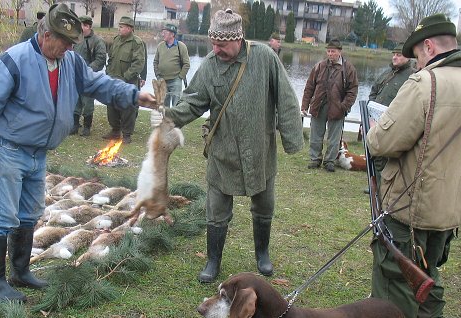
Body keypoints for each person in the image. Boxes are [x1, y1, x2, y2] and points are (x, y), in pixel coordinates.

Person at [0, 3, 156, 303]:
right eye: (63, 42)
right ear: (46, 35)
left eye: (71, 44)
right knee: (3, 215)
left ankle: (20, 271)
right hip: (11, 149)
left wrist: (133, 95)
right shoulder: (15, 60)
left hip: (39, 154)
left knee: (30, 213)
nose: (67, 48)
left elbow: (98, 84)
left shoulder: (70, 62)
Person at [366, 14, 461, 318]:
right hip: (451, 211)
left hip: (410, 208)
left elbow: (383, 142)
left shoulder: (425, 83)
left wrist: (375, 129)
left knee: (395, 278)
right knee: (428, 275)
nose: (416, 61)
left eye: (417, 54)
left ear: (428, 46)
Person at [163, 9, 304, 283]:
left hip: (259, 151)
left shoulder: (264, 58)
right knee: (216, 211)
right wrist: (168, 118)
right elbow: (192, 101)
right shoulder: (209, 65)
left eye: (222, 44)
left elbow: (286, 98)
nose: (216, 50)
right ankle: (213, 260)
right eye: (213, 44)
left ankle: (262, 253)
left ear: (238, 38)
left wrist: (292, 140)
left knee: (264, 205)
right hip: (222, 151)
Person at [301, 39, 358, 172]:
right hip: (318, 106)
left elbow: (353, 91)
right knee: (315, 135)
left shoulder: (349, 69)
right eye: (328, 51)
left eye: (333, 51)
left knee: (334, 137)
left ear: (340, 52)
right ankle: (315, 159)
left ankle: (330, 161)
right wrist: (305, 104)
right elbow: (309, 86)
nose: (330, 54)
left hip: (337, 108)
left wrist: (344, 106)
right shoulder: (319, 66)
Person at [365, 44, 415, 191]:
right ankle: (375, 184)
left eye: (399, 55)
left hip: (394, 124)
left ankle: (385, 187)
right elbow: (373, 91)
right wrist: (370, 110)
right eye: (394, 54)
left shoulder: (412, 76)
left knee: (387, 157)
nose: (395, 57)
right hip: (376, 121)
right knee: (375, 154)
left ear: (408, 57)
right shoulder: (386, 73)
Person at [104, 16, 146, 144]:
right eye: (119, 26)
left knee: (128, 108)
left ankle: (127, 134)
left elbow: (138, 64)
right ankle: (115, 130)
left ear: (129, 28)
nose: (119, 29)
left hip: (128, 81)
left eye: (121, 27)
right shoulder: (116, 40)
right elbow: (110, 59)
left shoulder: (136, 43)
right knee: (112, 106)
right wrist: (108, 73)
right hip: (113, 80)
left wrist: (126, 77)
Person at [70, 15, 107, 137]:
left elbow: (101, 59)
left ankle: (86, 127)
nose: (80, 28)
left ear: (88, 26)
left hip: (89, 76)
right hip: (75, 75)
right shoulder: (76, 39)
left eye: (82, 25)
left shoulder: (97, 41)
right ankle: (75, 125)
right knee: (75, 101)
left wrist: (87, 70)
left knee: (88, 102)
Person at [153, 23, 190, 107]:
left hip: (175, 81)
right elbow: (155, 62)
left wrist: (180, 77)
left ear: (172, 34)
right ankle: (164, 120)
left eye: (165, 32)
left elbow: (186, 64)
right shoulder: (160, 46)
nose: (163, 34)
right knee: (163, 105)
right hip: (162, 81)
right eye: (162, 32)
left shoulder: (181, 47)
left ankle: (174, 120)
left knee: (176, 105)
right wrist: (158, 75)